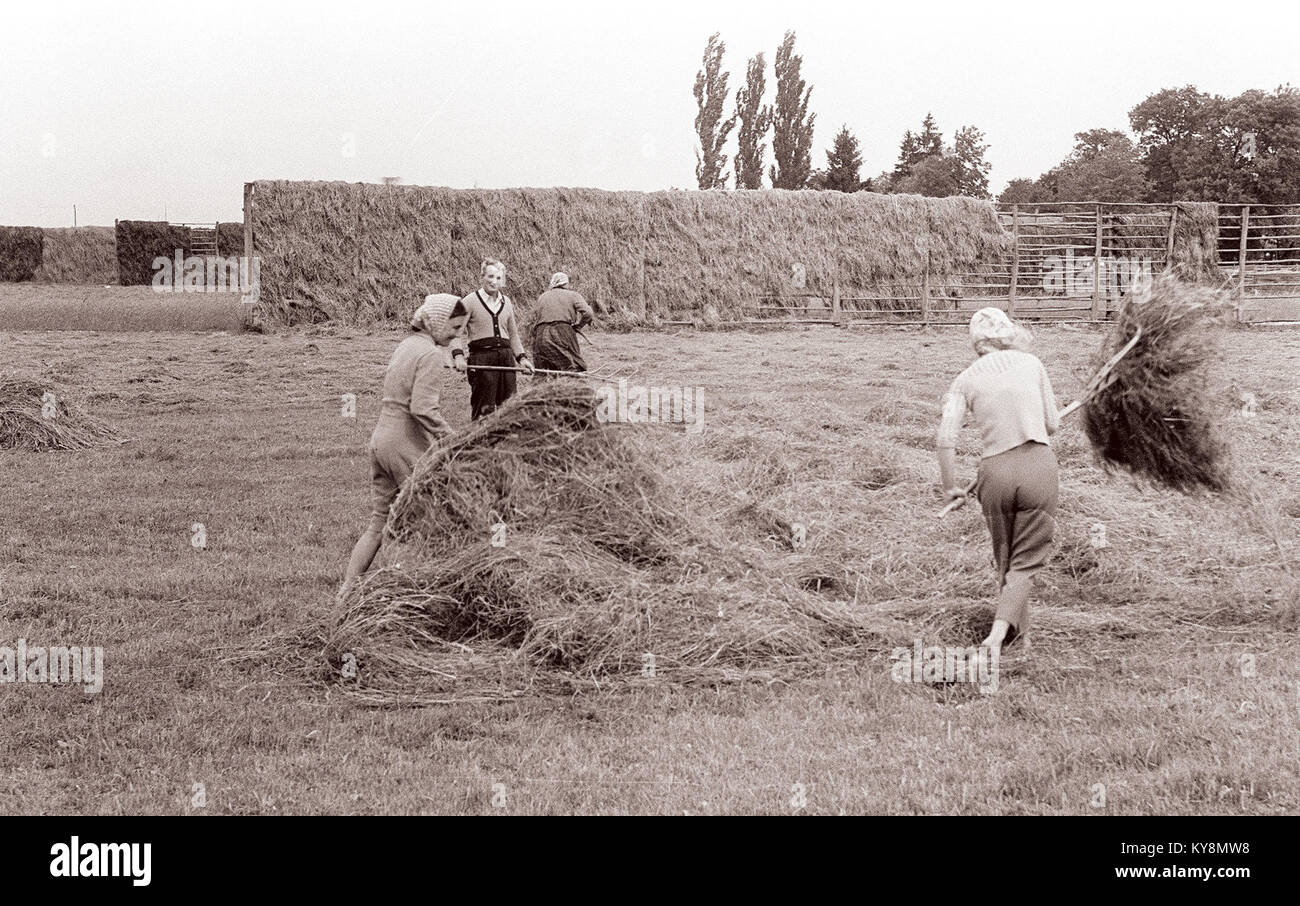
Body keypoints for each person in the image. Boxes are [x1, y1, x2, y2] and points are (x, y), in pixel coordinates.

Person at [935, 307, 1060, 654]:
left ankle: (1022, 638)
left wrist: (950, 488)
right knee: (1027, 560)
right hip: (1037, 465)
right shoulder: (1031, 364)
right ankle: (996, 636)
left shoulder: (963, 380)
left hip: (994, 474)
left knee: (1006, 559)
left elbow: (945, 439)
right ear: (1008, 334)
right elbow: (1052, 425)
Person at [342, 293, 468, 589]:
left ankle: (345, 591)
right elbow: (423, 409)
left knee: (378, 524)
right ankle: (425, 588)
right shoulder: (431, 355)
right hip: (403, 445)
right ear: (436, 323)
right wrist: (454, 440)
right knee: (433, 515)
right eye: (453, 328)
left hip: (380, 441)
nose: (456, 336)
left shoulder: (407, 346)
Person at [451, 258, 533, 419]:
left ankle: (505, 442)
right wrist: (458, 356)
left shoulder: (507, 302)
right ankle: (481, 442)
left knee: (509, 408)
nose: (494, 281)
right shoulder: (467, 301)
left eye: (498, 278)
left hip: (506, 359)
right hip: (482, 360)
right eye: (490, 276)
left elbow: (513, 334)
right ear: (482, 276)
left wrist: (522, 358)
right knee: (484, 410)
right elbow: (455, 331)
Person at [529, 272, 594, 375]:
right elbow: (588, 313)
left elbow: (534, 319)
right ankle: (573, 386)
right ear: (565, 284)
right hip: (561, 332)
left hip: (540, 334)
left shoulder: (542, 297)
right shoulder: (572, 295)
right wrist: (578, 326)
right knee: (572, 367)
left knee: (543, 371)